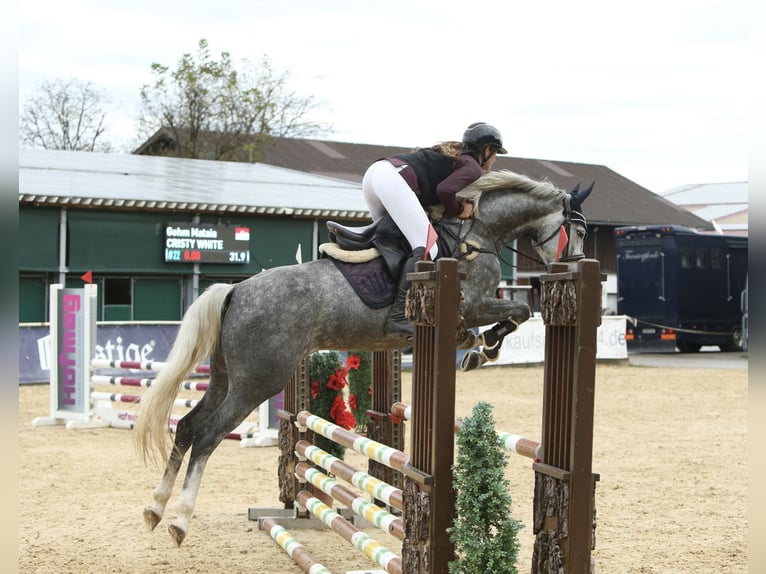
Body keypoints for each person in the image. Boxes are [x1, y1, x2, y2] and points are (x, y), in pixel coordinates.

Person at [362, 121, 507, 338]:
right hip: (392, 180)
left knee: (395, 243)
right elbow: (445, 191)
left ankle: (379, 300)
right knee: (428, 247)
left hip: (375, 175)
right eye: (495, 153)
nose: (494, 160)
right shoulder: (473, 166)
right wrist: (459, 209)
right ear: (486, 150)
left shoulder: (455, 157)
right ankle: (398, 317)